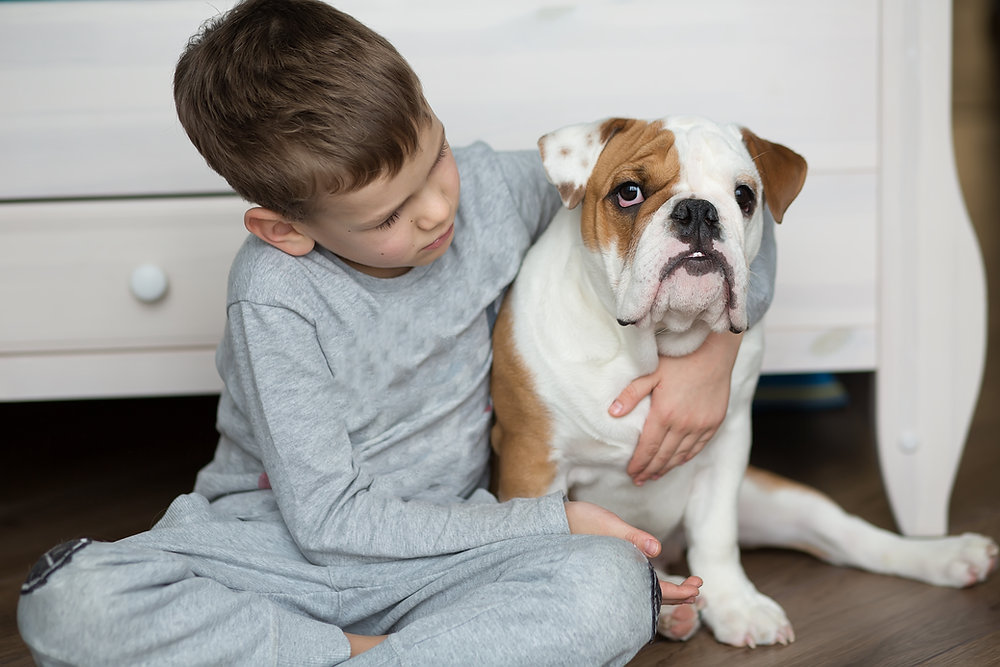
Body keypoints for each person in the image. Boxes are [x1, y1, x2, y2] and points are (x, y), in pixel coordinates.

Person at [18, 1, 777, 664]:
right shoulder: (274, 296)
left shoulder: (488, 190)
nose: (435, 210)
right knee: (69, 599)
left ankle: (327, 653)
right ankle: (374, 655)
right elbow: (330, 521)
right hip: (277, 547)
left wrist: (715, 353)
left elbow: (729, 212)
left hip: (452, 542)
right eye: (387, 215)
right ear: (284, 229)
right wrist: (553, 520)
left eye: (434, 156)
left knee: (611, 584)